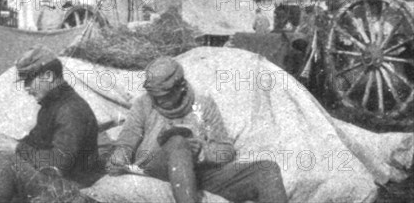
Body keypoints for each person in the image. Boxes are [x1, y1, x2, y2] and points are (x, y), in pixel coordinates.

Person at [106, 57, 288, 203]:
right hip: (156, 166)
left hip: (201, 174)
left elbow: (226, 151)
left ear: (181, 87)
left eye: (164, 95)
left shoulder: (203, 104)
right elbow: (126, 140)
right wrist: (119, 156)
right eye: (155, 96)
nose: (159, 101)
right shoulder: (143, 104)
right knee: (177, 141)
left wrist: (201, 152)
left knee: (266, 169)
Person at [0, 46, 101, 203]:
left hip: (73, 188)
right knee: (2, 161)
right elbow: (34, 143)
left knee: (8, 163)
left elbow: (59, 164)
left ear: (49, 76)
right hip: (55, 182)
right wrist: (8, 142)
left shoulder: (71, 110)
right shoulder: (51, 105)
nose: (26, 88)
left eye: (29, 80)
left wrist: (16, 147)